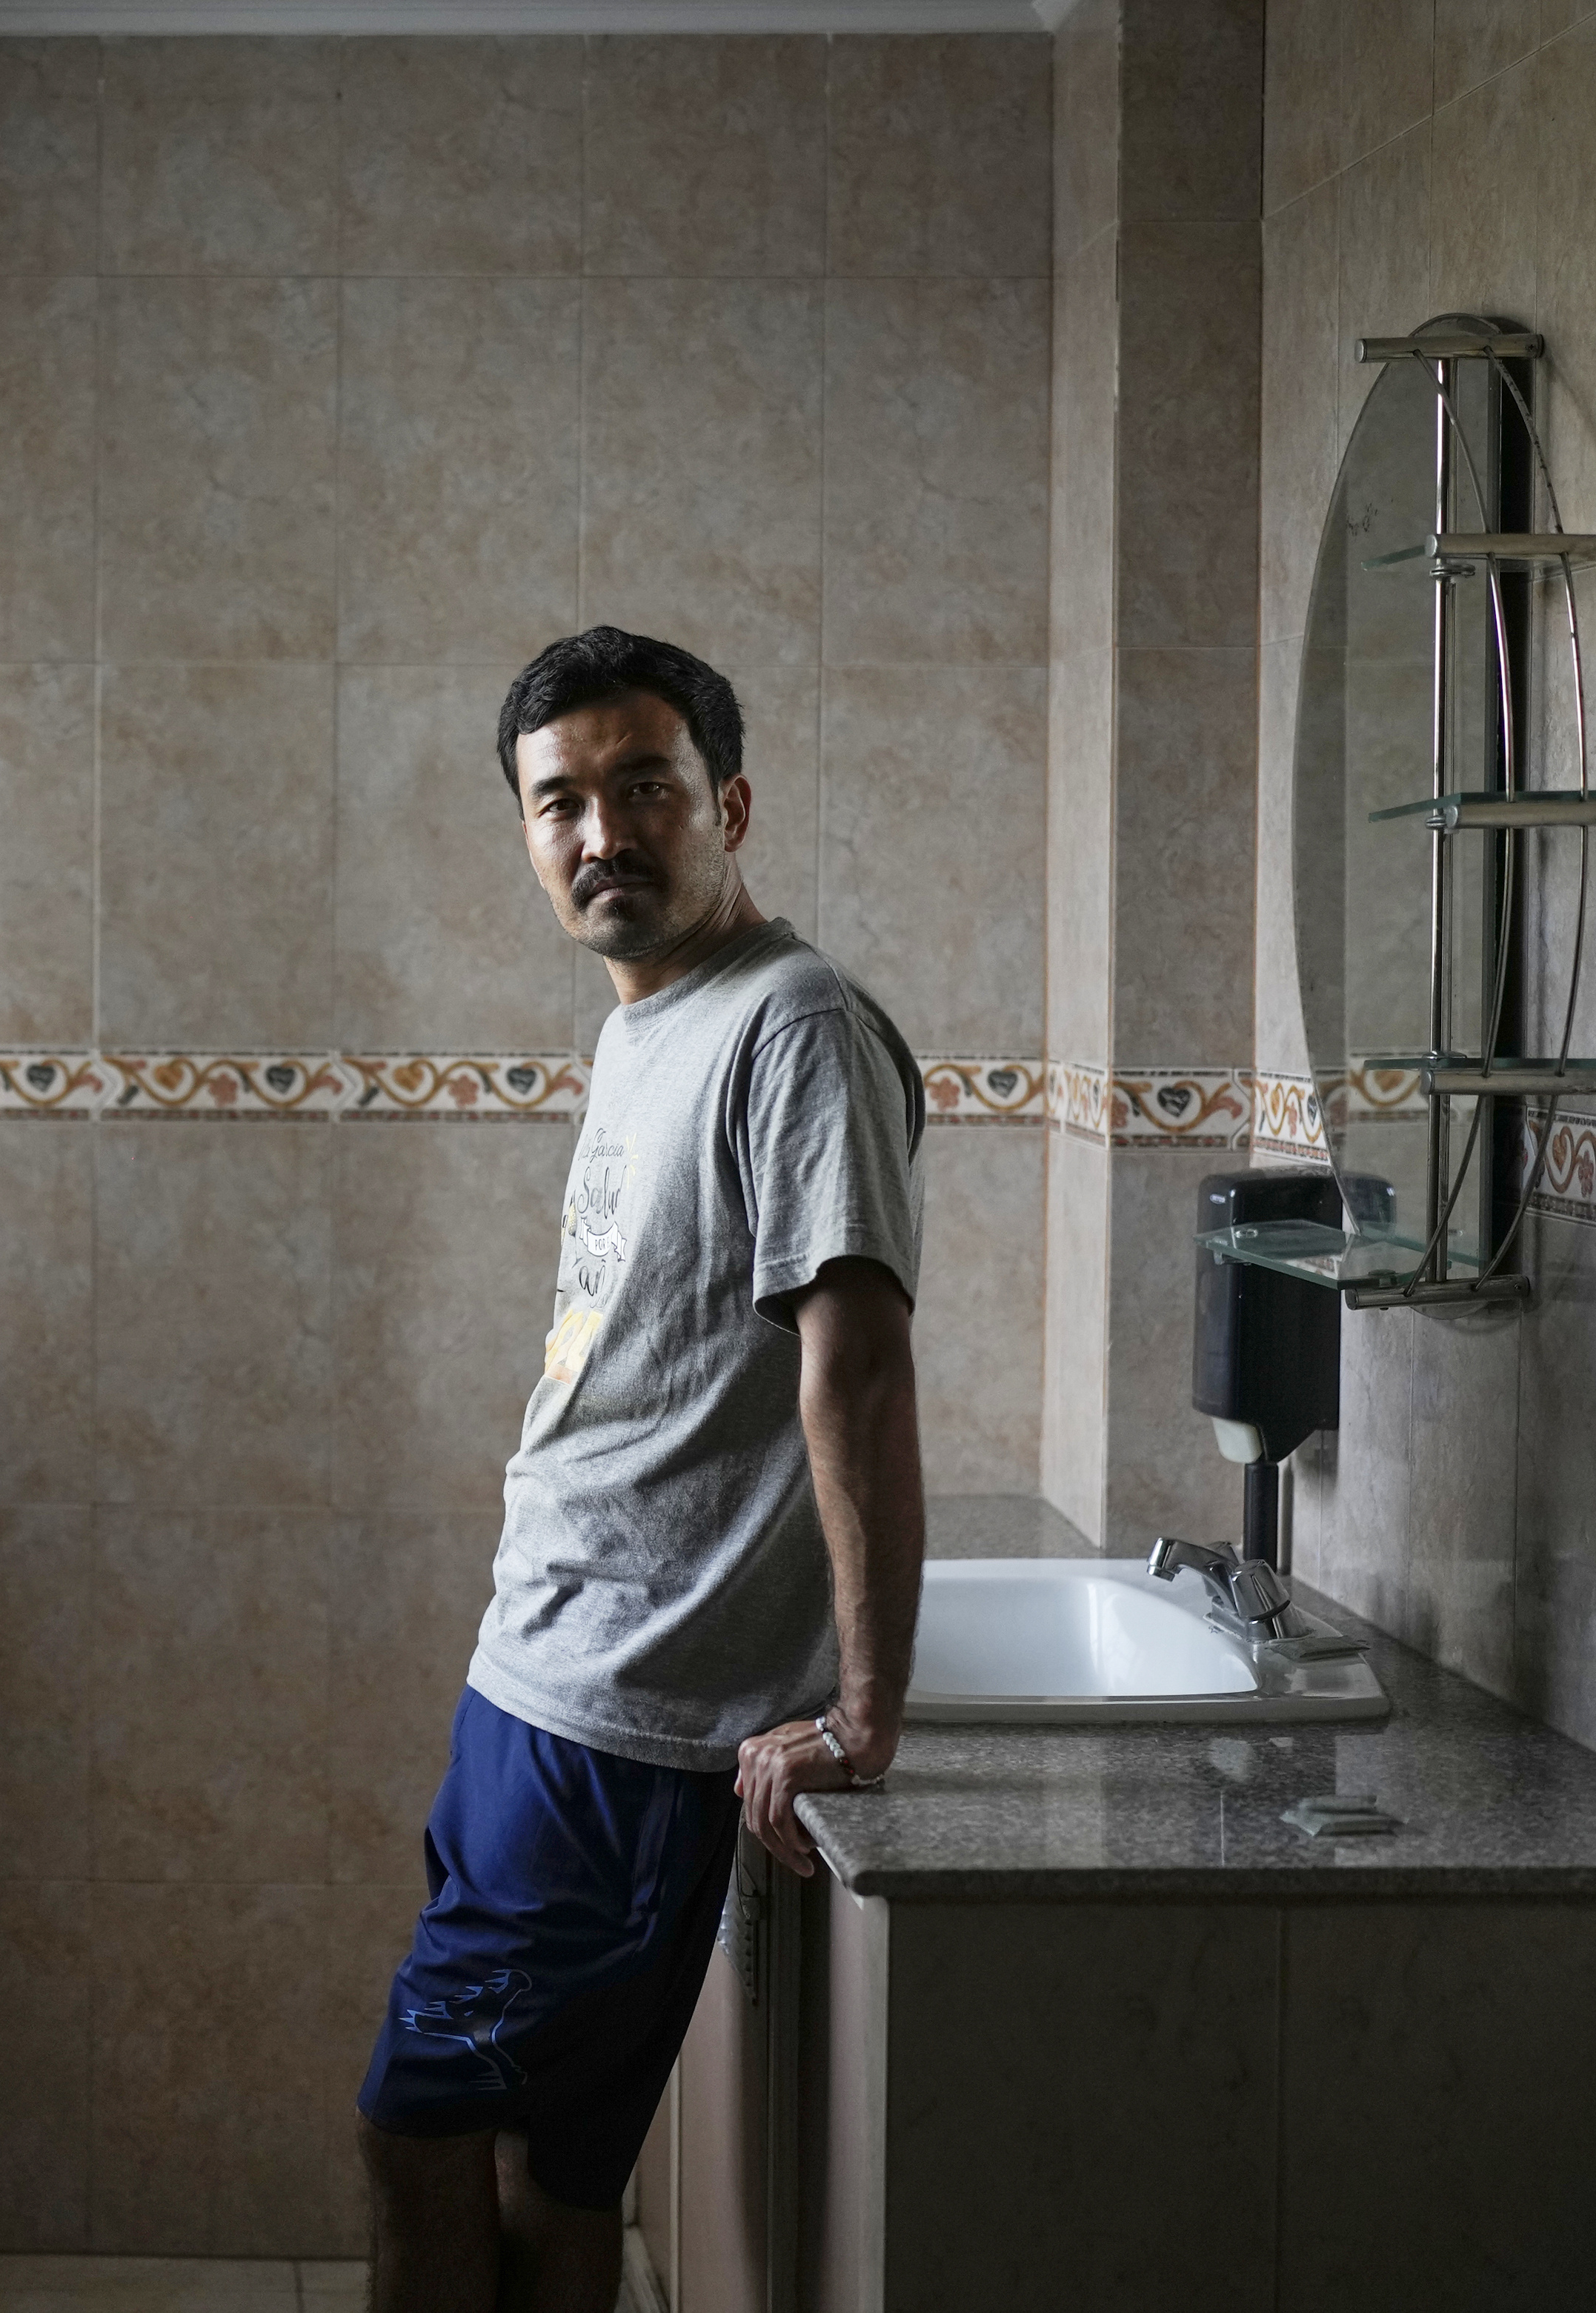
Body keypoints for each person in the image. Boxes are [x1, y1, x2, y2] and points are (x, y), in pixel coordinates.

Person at [353, 628, 928, 2313]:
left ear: (727, 805)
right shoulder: (652, 1022)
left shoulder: (797, 1024)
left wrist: (868, 1701)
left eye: (643, 788)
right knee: (552, 2169)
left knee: (415, 2138)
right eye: (561, 802)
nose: (601, 832)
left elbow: (858, 1368)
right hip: (545, 1669)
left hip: (619, 1715)